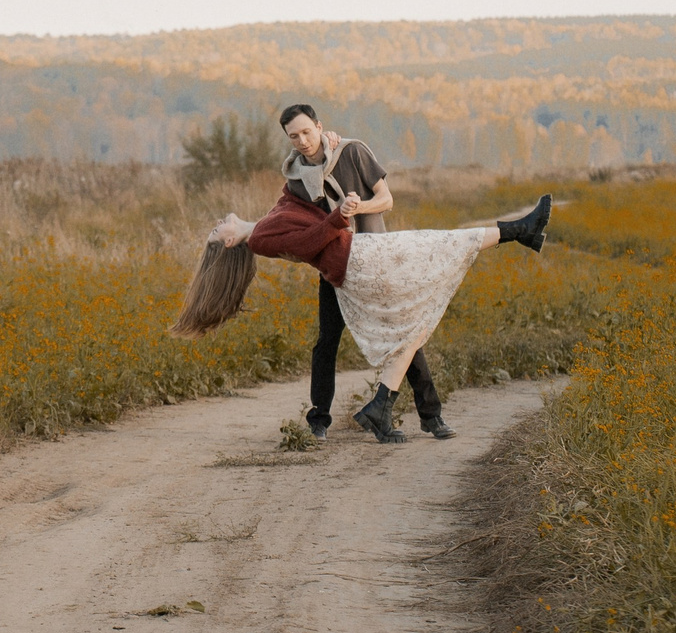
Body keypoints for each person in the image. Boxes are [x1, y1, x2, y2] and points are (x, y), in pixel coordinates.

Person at [168, 126, 552, 445]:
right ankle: (329, 418)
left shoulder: (268, 218)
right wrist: (338, 217)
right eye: (218, 232)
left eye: (305, 131)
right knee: (432, 261)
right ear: (230, 243)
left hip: (348, 261)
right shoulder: (261, 237)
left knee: (408, 325)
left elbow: (301, 186)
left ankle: (405, 412)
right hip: (350, 263)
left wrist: (327, 147)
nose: (219, 222)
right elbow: (305, 242)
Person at [272, 104, 449, 440]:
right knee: (327, 342)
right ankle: (319, 420)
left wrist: (355, 209)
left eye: (307, 131)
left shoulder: (352, 152)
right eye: (293, 136)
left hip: (375, 262)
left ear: (319, 126)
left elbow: (387, 199)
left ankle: (431, 416)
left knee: (404, 335)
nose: (302, 140)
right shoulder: (296, 180)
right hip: (335, 266)